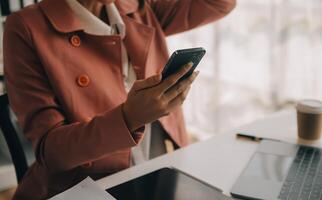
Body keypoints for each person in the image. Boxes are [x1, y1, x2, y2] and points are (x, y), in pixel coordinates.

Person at [3, 0, 236, 199]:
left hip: (160, 172)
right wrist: (129, 118)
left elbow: (218, 3)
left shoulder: (137, 7)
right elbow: (52, 152)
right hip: (86, 187)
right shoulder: (25, 28)